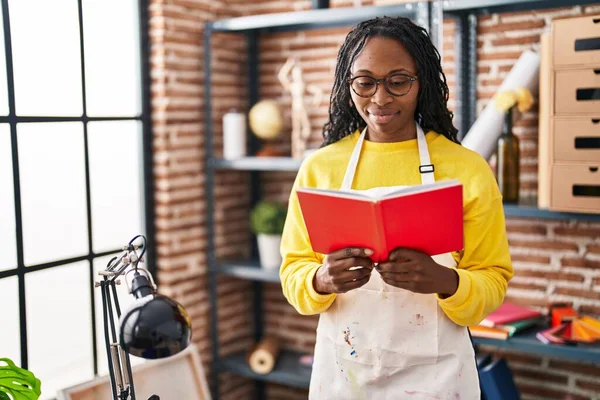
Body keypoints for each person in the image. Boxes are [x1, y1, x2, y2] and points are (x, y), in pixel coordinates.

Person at [279, 16, 514, 399]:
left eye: (398, 81)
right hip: (345, 375)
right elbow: (292, 273)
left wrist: (444, 281)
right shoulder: (320, 168)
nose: (381, 98)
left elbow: (493, 279)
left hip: (436, 380)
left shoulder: (466, 169)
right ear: (347, 84)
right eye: (365, 82)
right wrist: (321, 280)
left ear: (422, 84)